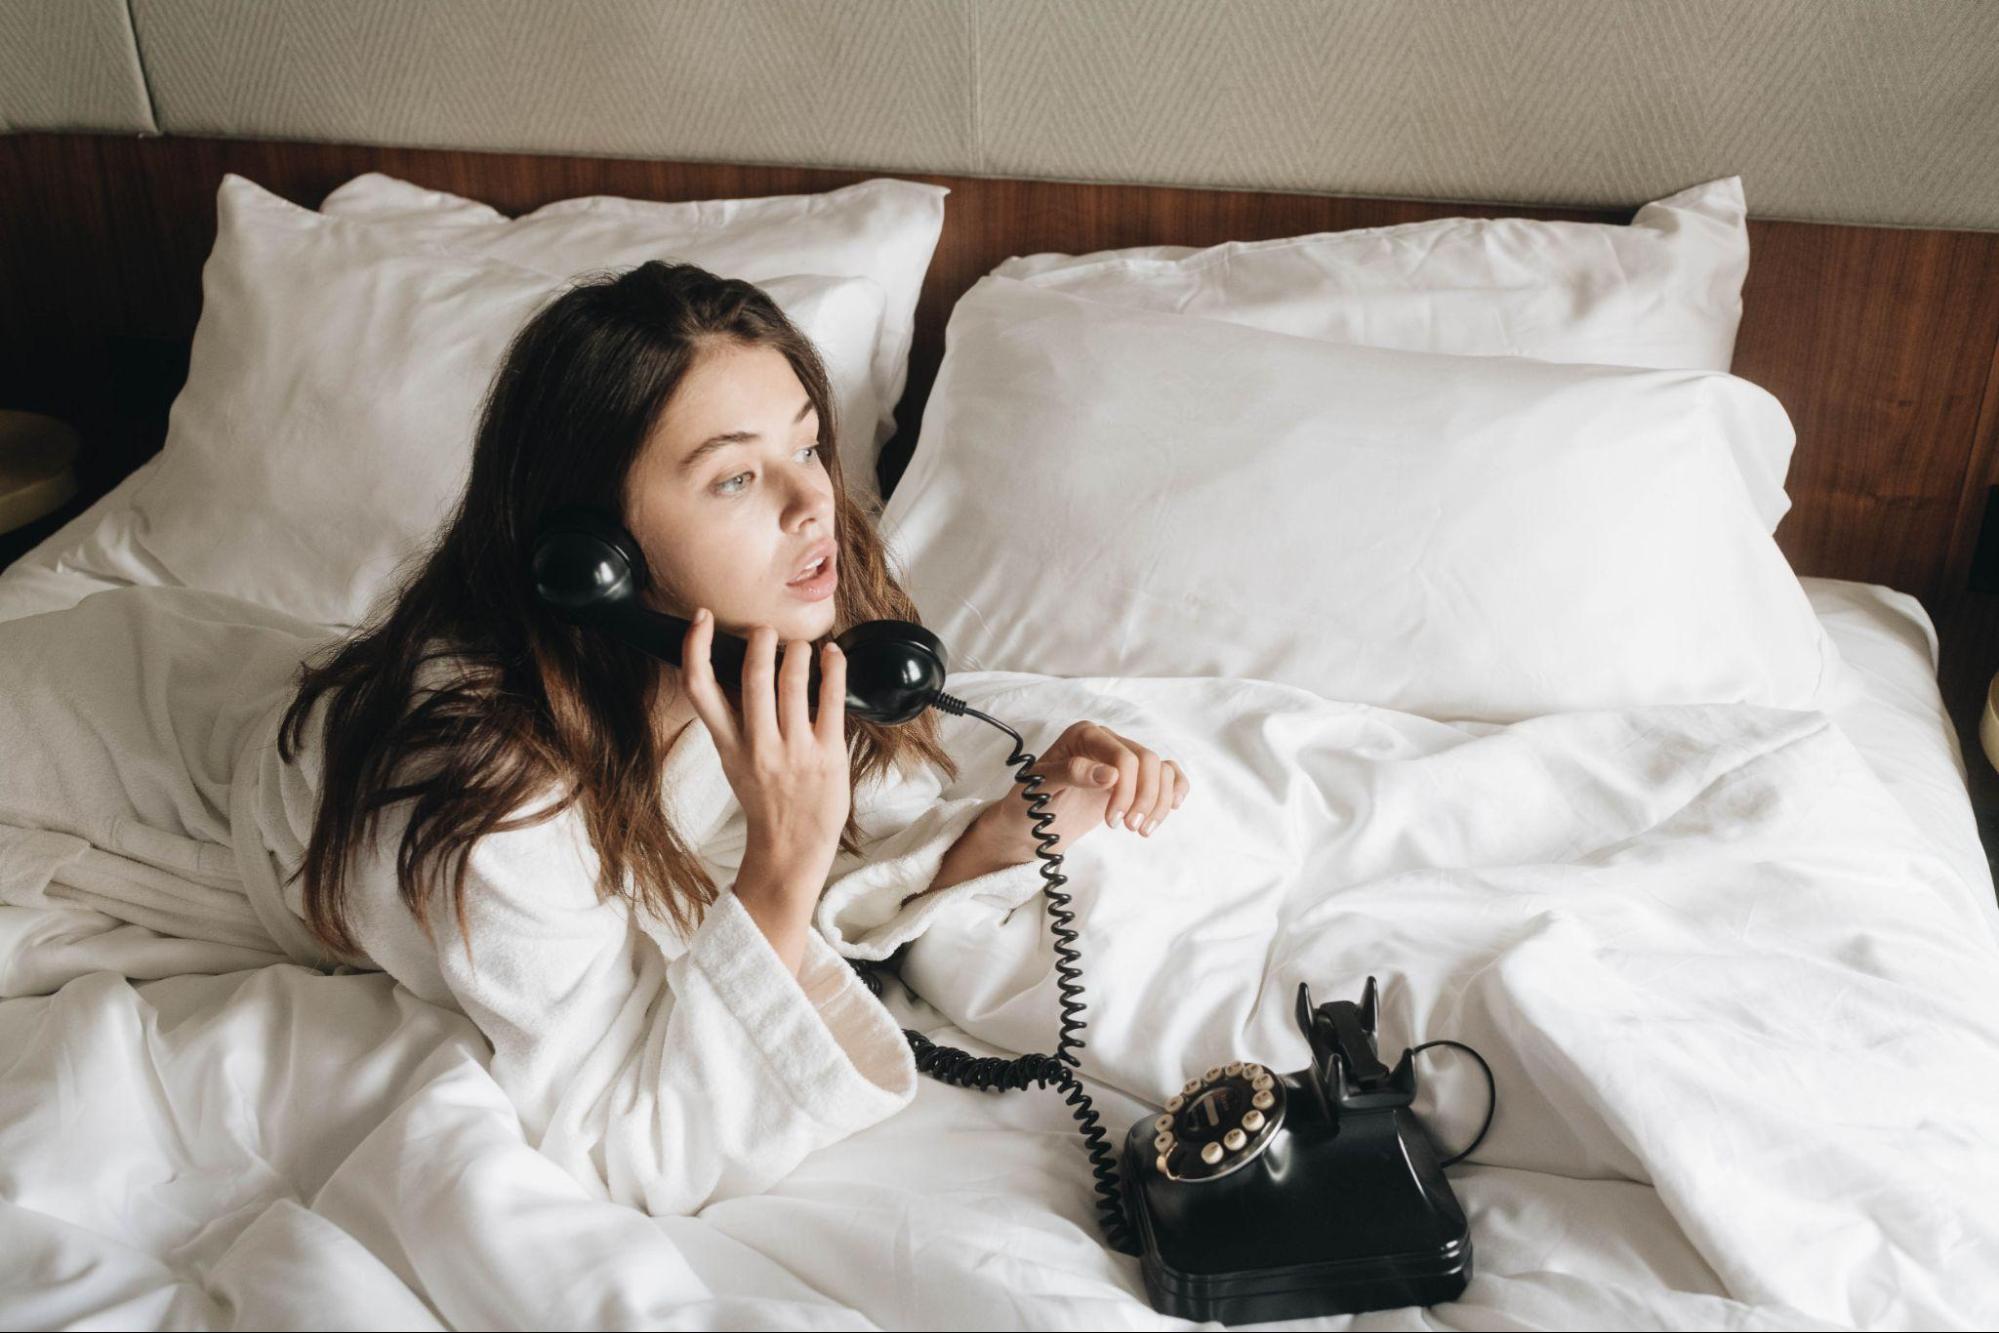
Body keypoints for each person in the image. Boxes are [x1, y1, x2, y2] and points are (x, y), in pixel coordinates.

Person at [257, 260, 1193, 1215]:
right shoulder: (487, 774)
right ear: (594, 558)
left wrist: (1009, 827)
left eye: (810, 446)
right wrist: (781, 857)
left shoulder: (763, 638)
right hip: (130, 766)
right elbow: (624, 1143)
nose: (811, 503)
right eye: (735, 477)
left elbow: (830, 856)